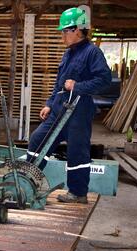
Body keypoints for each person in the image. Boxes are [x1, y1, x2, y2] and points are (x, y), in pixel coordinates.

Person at [26, 7, 111, 204]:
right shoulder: (68, 54)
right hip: (59, 109)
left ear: (78, 30)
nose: (62, 35)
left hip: (79, 113)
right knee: (37, 139)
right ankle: (27, 181)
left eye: (65, 31)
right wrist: (49, 103)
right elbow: (59, 83)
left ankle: (78, 193)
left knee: (77, 152)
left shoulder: (92, 53)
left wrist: (78, 86)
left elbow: (104, 79)